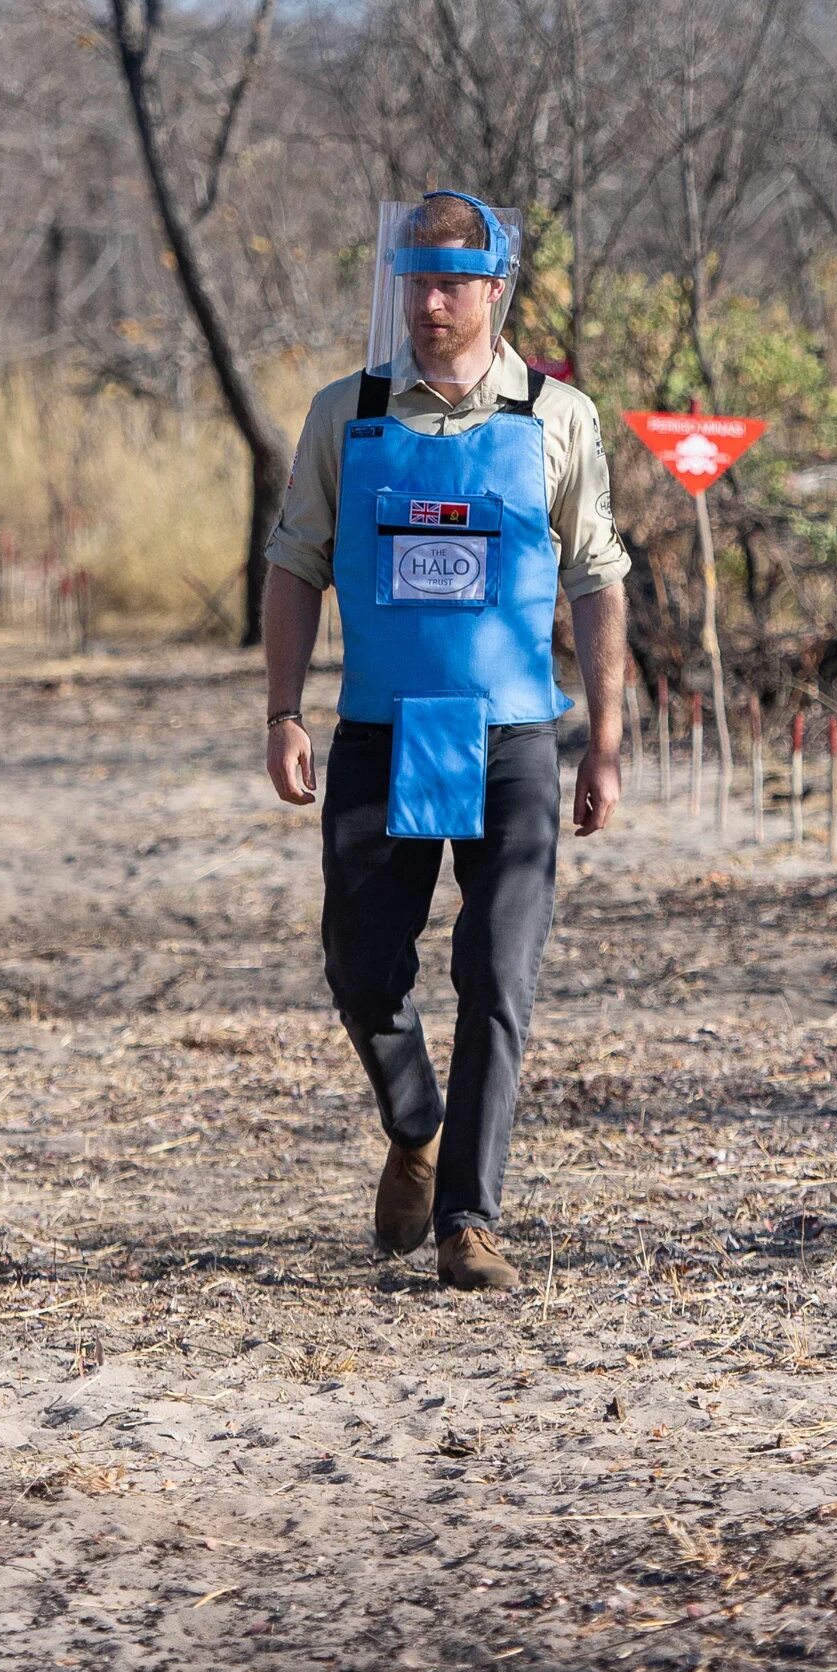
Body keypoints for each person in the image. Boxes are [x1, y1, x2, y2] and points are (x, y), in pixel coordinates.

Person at [259, 191, 628, 1292]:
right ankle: (414, 1119)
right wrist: (284, 707)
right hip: (381, 728)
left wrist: (603, 739)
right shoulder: (349, 413)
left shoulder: (557, 415)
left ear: (494, 288)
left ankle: (469, 1215)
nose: (429, 303)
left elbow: (597, 574)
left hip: (513, 733)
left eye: (453, 283)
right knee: (362, 969)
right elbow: (293, 563)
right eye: (413, 281)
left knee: (498, 971)